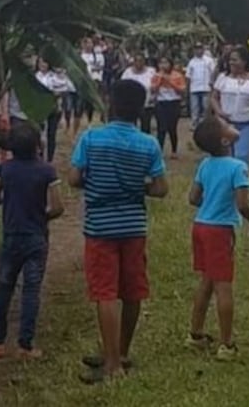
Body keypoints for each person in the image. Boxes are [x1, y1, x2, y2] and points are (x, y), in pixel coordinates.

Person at [69, 79, 168, 383]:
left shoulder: (91, 138)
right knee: (132, 291)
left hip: (100, 226)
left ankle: (111, 364)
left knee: (106, 293)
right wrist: (138, 186)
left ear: (110, 103)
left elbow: (74, 178)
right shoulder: (148, 144)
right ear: (140, 110)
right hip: (134, 225)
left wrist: (96, 183)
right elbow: (161, 188)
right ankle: (121, 352)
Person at [0, 121, 64, 360]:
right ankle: (25, 346)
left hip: (11, 236)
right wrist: (42, 216)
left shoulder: (5, 169)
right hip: (36, 237)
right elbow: (58, 207)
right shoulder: (47, 171)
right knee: (30, 291)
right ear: (38, 145)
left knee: (4, 289)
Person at [185, 116, 249, 361]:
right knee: (224, 285)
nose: (231, 124)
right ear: (226, 139)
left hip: (200, 226)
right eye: (227, 125)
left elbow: (193, 198)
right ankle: (227, 344)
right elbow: (242, 204)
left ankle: (195, 334)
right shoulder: (238, 167)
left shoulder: (205, 165)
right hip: (219, 231)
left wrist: (211, 200)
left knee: (207, 281)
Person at [211, 48, 249, 167]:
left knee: (241, 156)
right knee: (226, 156)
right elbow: (214, 97)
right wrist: (219, 111)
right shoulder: (223, 78)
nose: (231, 63)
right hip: (226, 124)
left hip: (246, 124)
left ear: (244, 61)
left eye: (235, 60)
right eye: (230, 60)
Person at [151, 56, 186, 158]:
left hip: (174, 103)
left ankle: (174, 150)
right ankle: (159, 151)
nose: (163, 65)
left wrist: (170, 81)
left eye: (166, 63)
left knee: (172, 128)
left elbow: (182, 90)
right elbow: (153, 89)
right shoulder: (156, 75)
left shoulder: (177, 75)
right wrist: (160, 80)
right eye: (161, 63)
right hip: (161, 103)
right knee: (161, 128)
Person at [34, 58, 66, 163]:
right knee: (39, 134)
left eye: (45, 62)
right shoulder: (35, 76)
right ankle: (39, 156)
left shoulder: (54, 76)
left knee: (51, 134)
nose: (42, 64)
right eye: (41, 62)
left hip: (53, 108)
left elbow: (61, 90)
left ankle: (49, 159)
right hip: (39, 109)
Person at [120, 54, 156, 134]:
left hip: (147, 104)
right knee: (131, 126)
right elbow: (122, 86)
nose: (139, 63)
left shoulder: (151, 71)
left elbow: (155, 84)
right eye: (137, 61)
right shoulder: (128, 72)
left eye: (141, 61)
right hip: (131, 104)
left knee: (146, 127)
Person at [186, 43, 216, 129]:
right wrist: (187, 89)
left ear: (203, 49)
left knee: (206, 108)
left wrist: (212, 85)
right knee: (194, 108)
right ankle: (194, 124)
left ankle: (204, 125)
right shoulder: (191, 62)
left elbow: (213, 73)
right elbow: (188, 76)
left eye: (200, 48)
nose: (198, 50)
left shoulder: (209, 60)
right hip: (194, 88)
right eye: (196, 49)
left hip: (206, 87)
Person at [79, 36, 104, 125]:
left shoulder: (98, 55)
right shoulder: (79, 55)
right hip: (82, 81)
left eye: (89, 43)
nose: (88, 45)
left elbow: (100, 67)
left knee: (93, 101)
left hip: (95, 80)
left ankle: (92, 119)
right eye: (85, 43)